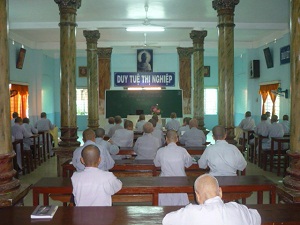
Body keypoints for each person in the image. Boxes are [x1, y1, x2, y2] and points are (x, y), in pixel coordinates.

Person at [162, 174, 261, 225]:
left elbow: (166, 220)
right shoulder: (238, 209)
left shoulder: (190, 212)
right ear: (220, 192)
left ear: (197, 196)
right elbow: (257, 217)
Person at [154, 130, 193, 206]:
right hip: (180, 181)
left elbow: (156, 164)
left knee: (164, 203)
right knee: (181, 205)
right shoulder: (182, 151)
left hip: (165, 181)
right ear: (177, 139)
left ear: (166, 139)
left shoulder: (161, 151)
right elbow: (189, 163)